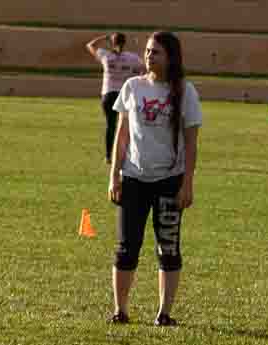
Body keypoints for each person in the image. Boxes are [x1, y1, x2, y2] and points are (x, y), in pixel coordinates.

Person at [107, 31, 202, 327]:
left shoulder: (185, 92)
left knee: (168, 247)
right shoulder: (132, 87)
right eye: (148, 51)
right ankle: (120, 310)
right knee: (126, 246)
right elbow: (121, 136)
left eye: (156, 52)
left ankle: (164, 313)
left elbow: (191, 142)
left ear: (171, 58)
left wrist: (187, 183)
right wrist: (115, 176)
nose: (149, 56)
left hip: (169, 180)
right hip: (134, 178)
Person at [86, 32, 144, 164]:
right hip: (124, 95)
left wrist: (105, 38)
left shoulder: (106, 55)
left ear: (112, 43)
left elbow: (90, 45)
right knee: (128, 125)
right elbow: (144, 67)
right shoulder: (132, 58)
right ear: (124, 43)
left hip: (108, 94)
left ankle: (108, 156)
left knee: (110, 125)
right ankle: (129, 155)